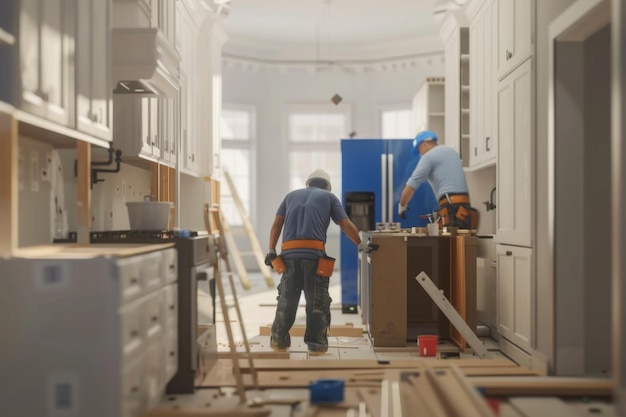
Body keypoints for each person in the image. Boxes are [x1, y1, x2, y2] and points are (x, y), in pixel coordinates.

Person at [264, 168, 369, 356]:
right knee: (317, 303)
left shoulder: (290, 196)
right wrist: (361, 245)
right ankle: (316, 345)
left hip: (288, 257)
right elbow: (345, 224)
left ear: (308, 184)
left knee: (286, 301)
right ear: (327, 186)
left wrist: (271, 250)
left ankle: (278, 342)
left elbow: (276, 224)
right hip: (314, 257)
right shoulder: (329, 198)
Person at [398, 130, 478, 229]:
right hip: (465, 207)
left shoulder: (429, 157)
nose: (420, 154)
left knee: (450, 243)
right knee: (463, 243)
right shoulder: (452, 152)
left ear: (424, 144)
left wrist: (402, 206)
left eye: (419, 150)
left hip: (451, 208)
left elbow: (411, 186)